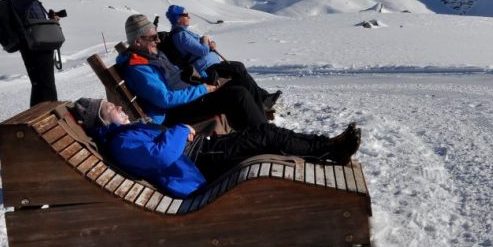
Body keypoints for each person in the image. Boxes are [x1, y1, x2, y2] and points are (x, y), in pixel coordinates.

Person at [71, 98, 361, 198]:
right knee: (265, 136)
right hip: (201, 160)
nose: (119, 106)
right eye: (110, 107)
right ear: (100, 118)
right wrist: (180, 129)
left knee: (263, 134)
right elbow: (160, 156)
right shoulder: (121, 142)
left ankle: (325, 148)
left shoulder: (123, 135)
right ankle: (327, 150)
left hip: (199, 151)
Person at [117, 13, 268, 130]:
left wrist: (204, 80)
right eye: (153, 37)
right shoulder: (138, 68)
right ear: (137, 41)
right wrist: (202, 89)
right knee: (237, 95)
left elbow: (177, 77)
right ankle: (264, 136)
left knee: (241, 81)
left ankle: (263, 130)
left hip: (190, 97)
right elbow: (166, 99)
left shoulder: (150, 55)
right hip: (177, 111)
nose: (158, 41)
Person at [164, 4, 281, 112]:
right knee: (238, 68)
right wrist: (205, 40)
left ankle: (263, 97)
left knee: (238, 69)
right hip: (206, 68)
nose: (189, 17)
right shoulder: (181, 35)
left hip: (209, 64)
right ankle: (262, 101)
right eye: (186, 15)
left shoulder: (183, 33)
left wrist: (210, 44)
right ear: (178, 18)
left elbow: (200, 48)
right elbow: (202, 50)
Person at [10, 0, 59, 106]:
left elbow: (35, 21)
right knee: (45, 85)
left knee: (42, 85)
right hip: (33, 47)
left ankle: (39, 119)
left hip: (39, 45)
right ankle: (50, 117)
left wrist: (51, 20)